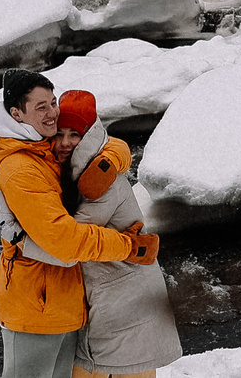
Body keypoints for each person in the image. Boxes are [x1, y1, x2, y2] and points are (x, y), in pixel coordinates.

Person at [0, 71, 159, 378]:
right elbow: (65, 243)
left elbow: (99, 140)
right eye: (41, 107)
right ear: (17, 114)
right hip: (34, 307)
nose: (52, 112)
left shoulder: (45, 146)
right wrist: (128, 245)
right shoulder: (22, 168)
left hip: (64, 304)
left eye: (53, 102)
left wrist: (115, 157)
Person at [50, 89, 182, 378]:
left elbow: (70, 239)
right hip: (114, 290)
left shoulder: (99, 178)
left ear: (88, 136)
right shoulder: (78, 168)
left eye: (75, 134)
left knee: (128, 367)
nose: (65, 142)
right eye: (60, 133)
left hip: (124, 294)